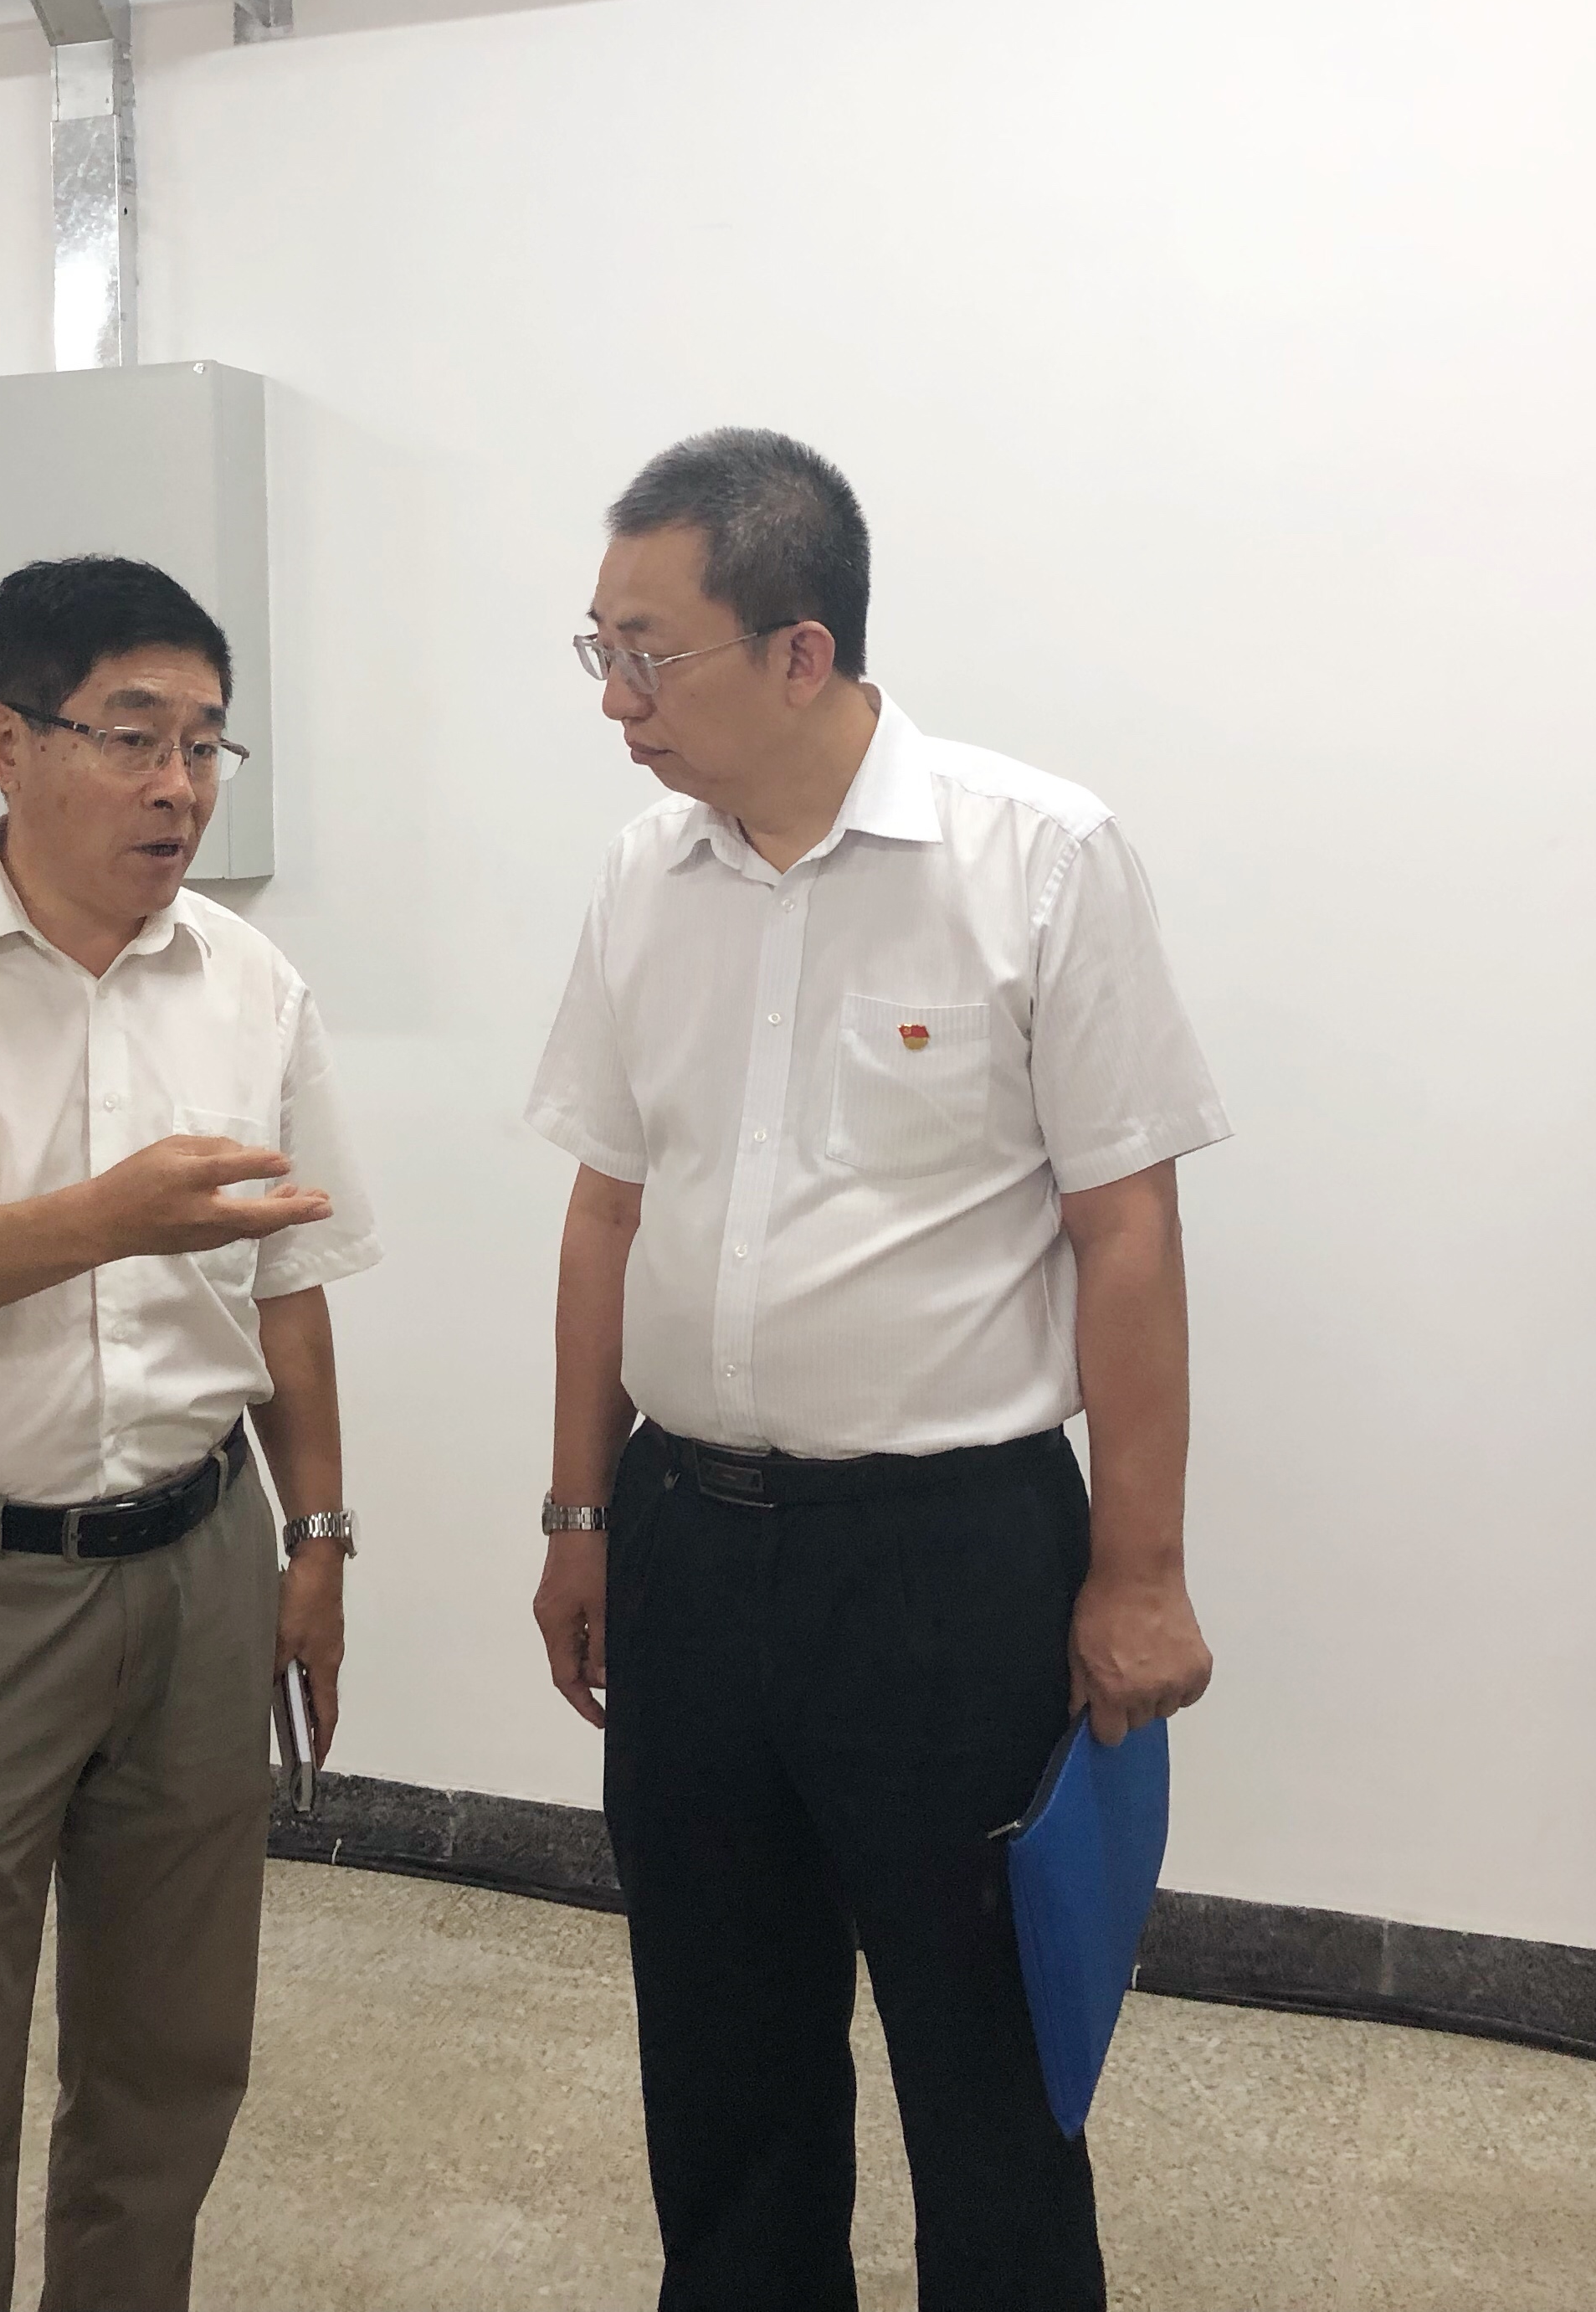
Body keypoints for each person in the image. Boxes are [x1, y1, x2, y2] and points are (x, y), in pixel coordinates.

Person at [525, 430, 1229, 2312]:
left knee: (988, 2073)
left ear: (802, 652)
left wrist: (1140, 1572)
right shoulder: (642, 877)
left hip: (948, 1562)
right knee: (722, 2062)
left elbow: (1127, 1233)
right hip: (689, 1538)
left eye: (648, 653)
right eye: (597, 647)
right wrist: (581, 1511)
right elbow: (607, 1207)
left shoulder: (1036, 858)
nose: (615, 699)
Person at [0, 554, 378, 2312]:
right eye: (132, 735)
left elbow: (289, 1289)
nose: (177, 784)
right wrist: (104, 1217)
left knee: (172, 2058)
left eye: (206, 743)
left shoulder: (248, 981)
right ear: (6, 742)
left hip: (202, 1561)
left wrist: (318, 1540)